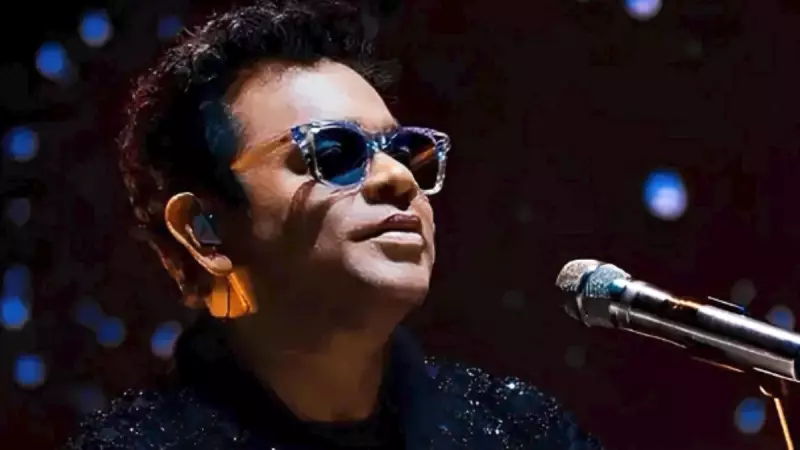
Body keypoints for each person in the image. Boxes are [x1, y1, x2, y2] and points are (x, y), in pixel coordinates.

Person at [64, 1, 603, 449]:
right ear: (204, 229)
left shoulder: (524, 431)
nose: (398, 178)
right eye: (333, 153)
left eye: (404, 151)